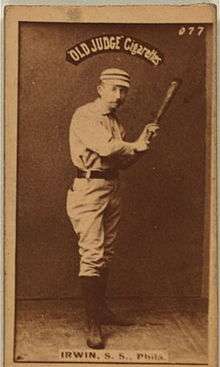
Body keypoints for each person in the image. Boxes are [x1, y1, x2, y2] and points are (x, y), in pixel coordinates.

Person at [66, 68, 159, 349]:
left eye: (124, 90)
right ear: (100, 88)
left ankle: (101, 310)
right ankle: (92, 324)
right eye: (114, 89)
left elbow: (122, 162)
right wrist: (135, 144)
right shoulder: (86, 115)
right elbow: (107, 150)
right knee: (92, 253)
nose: (119, 95)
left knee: (106, 252)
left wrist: (142, 147)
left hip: (111, 188)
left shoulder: (117, 124)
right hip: (88, 189)